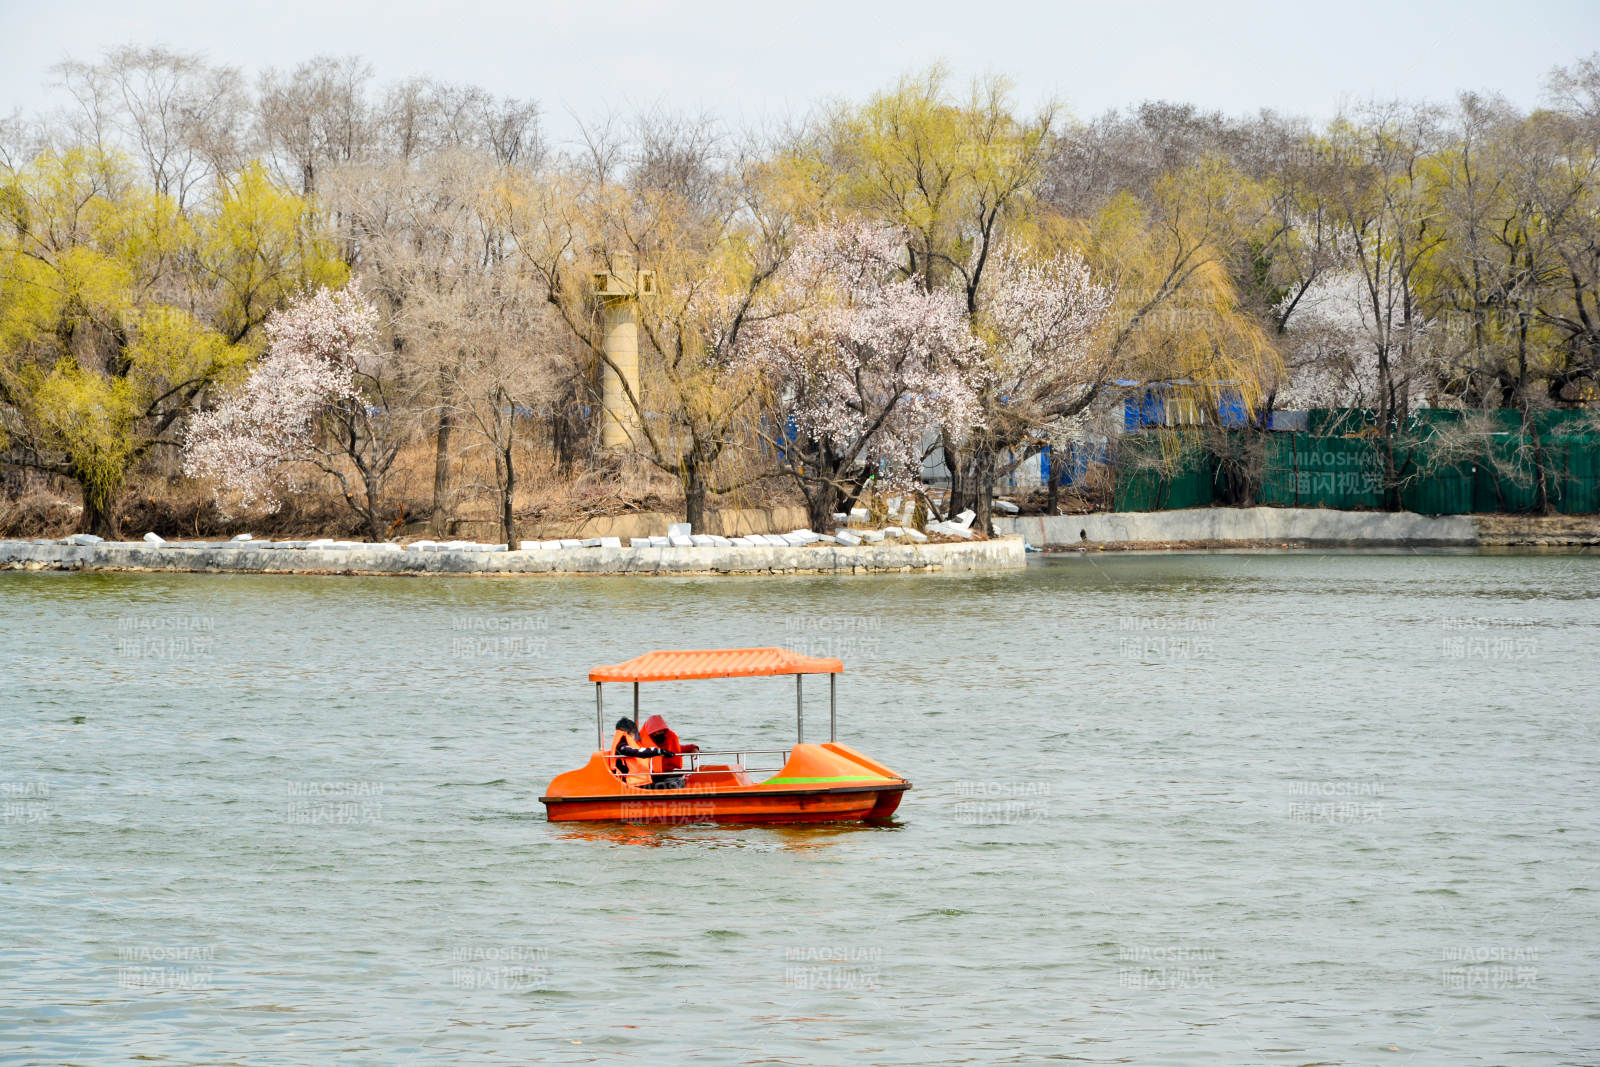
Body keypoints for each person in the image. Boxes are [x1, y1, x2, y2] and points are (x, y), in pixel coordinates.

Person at [638, 713, 699, 790]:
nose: (660, 733)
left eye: (662, 731)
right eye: (657, 731)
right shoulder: (640, 745)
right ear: (651, 733)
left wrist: (693, 748)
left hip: (666, 775)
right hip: (648, 777)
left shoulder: (668, 741)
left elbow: (678, 749)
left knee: (679, 781)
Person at [605, 717, 666, 788]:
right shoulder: (622, 745)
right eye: (634, 732)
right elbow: (634, 752)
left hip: (640, 781)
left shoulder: (628, 743)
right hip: (631, 783)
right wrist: (657, 751)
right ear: (629, 732)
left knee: (666, 780)